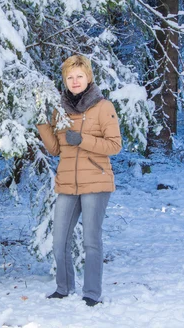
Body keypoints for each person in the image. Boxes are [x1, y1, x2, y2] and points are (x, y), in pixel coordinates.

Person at [36, 54, 122, 307]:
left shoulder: (103, 106)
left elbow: (115, 145)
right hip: (67, 183)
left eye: (80, 76)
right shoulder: (59, 109)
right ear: (65, 80)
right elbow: (54, 149)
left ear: (88, 78)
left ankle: (92, 293)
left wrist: (83, 140)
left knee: (91, 240)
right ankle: (63, 288)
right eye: (70, 77)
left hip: (96, 181)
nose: (75, 81)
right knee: (59, 238)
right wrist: (43, 122)